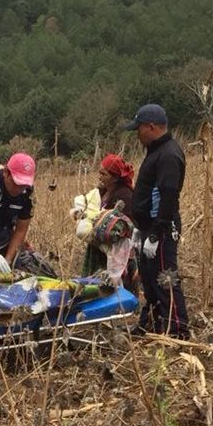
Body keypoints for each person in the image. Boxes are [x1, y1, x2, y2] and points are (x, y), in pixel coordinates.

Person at [124, 104, 189, 339]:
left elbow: (168, 194)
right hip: (147, 226)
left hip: (161, 227)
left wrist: (156, 232)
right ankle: (151, 322)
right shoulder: (155, 151)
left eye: (139, 129)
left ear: (150, 127)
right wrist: (140, 229)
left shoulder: (169, 154)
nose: (137, 134)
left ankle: (178, 330)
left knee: (165, 278)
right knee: (149, 279)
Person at [74, 153, 138, 288]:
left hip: (116, 249)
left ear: (114, 178)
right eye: (100, 173)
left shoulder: (124, 195)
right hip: (99, 246)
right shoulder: (101, 191)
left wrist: (100, 224)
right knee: (97, 284)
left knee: (115, 284)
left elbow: (123, 225)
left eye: (104, 174)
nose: (100, 177)